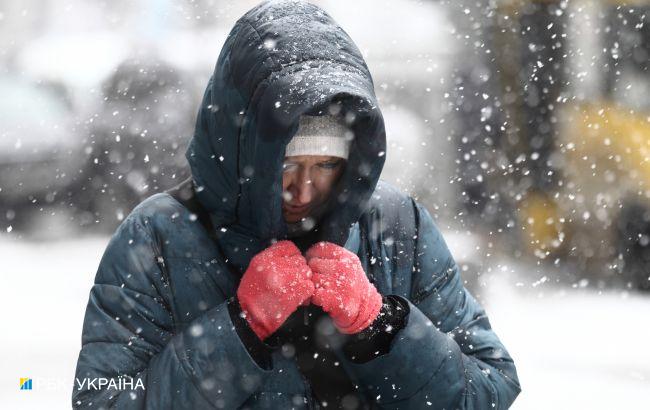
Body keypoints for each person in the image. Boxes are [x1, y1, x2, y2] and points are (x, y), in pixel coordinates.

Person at [72, 1, 521, 409]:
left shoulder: (398, 225)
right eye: (285, 165)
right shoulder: (159, 236)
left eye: (326, 164)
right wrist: (240, 330)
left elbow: (491, 388)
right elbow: (101, 402)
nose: (304, 191)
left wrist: (381, 325)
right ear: (246, 150)